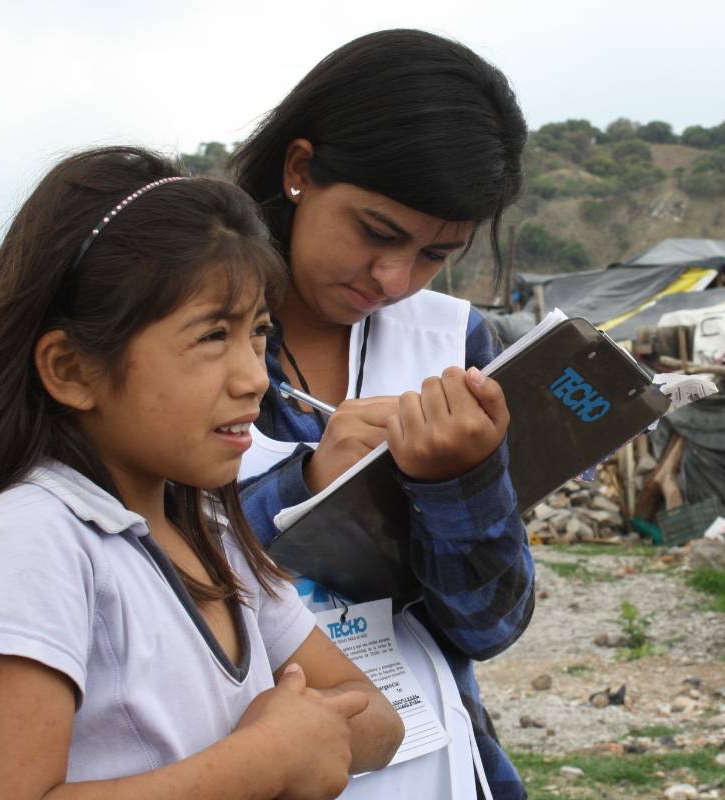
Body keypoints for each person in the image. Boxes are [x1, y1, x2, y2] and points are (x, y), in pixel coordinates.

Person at [0, 147, 404, 799]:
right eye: (211, 336)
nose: (255, 375)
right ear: (71, 369)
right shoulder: (34, 542)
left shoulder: (211, 535)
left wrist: (306, 733)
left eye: (259, 333)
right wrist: (264, 759)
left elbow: (378, 716)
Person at [231, 29, 533, 800]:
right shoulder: (179, 324)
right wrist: (305, 487)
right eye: (377, 232)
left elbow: (488, 626)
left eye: (436, 253)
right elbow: (133, 563)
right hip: (230, 756)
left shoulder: (453, 342)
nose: (394, 277)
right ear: (299, 170)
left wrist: (463, 484)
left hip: (432, 762)